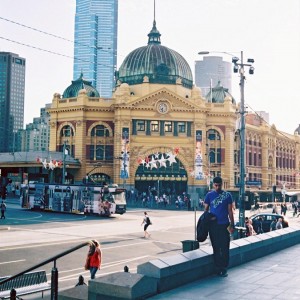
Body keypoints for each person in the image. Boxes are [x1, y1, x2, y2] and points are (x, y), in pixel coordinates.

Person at [204, 176, 235, 277]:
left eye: (219, 185)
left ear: (222, 184)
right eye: (216, 185)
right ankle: (217, 267)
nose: (217, 187)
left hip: (224, 225)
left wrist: (232, 224)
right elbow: (206, 211)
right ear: (213, 185)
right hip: (213, 226)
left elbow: (230, 211)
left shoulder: (227, 195)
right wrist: (208, 219)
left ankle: (224, 268)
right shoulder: (209, 195)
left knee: (225, 247)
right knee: (216, 247)